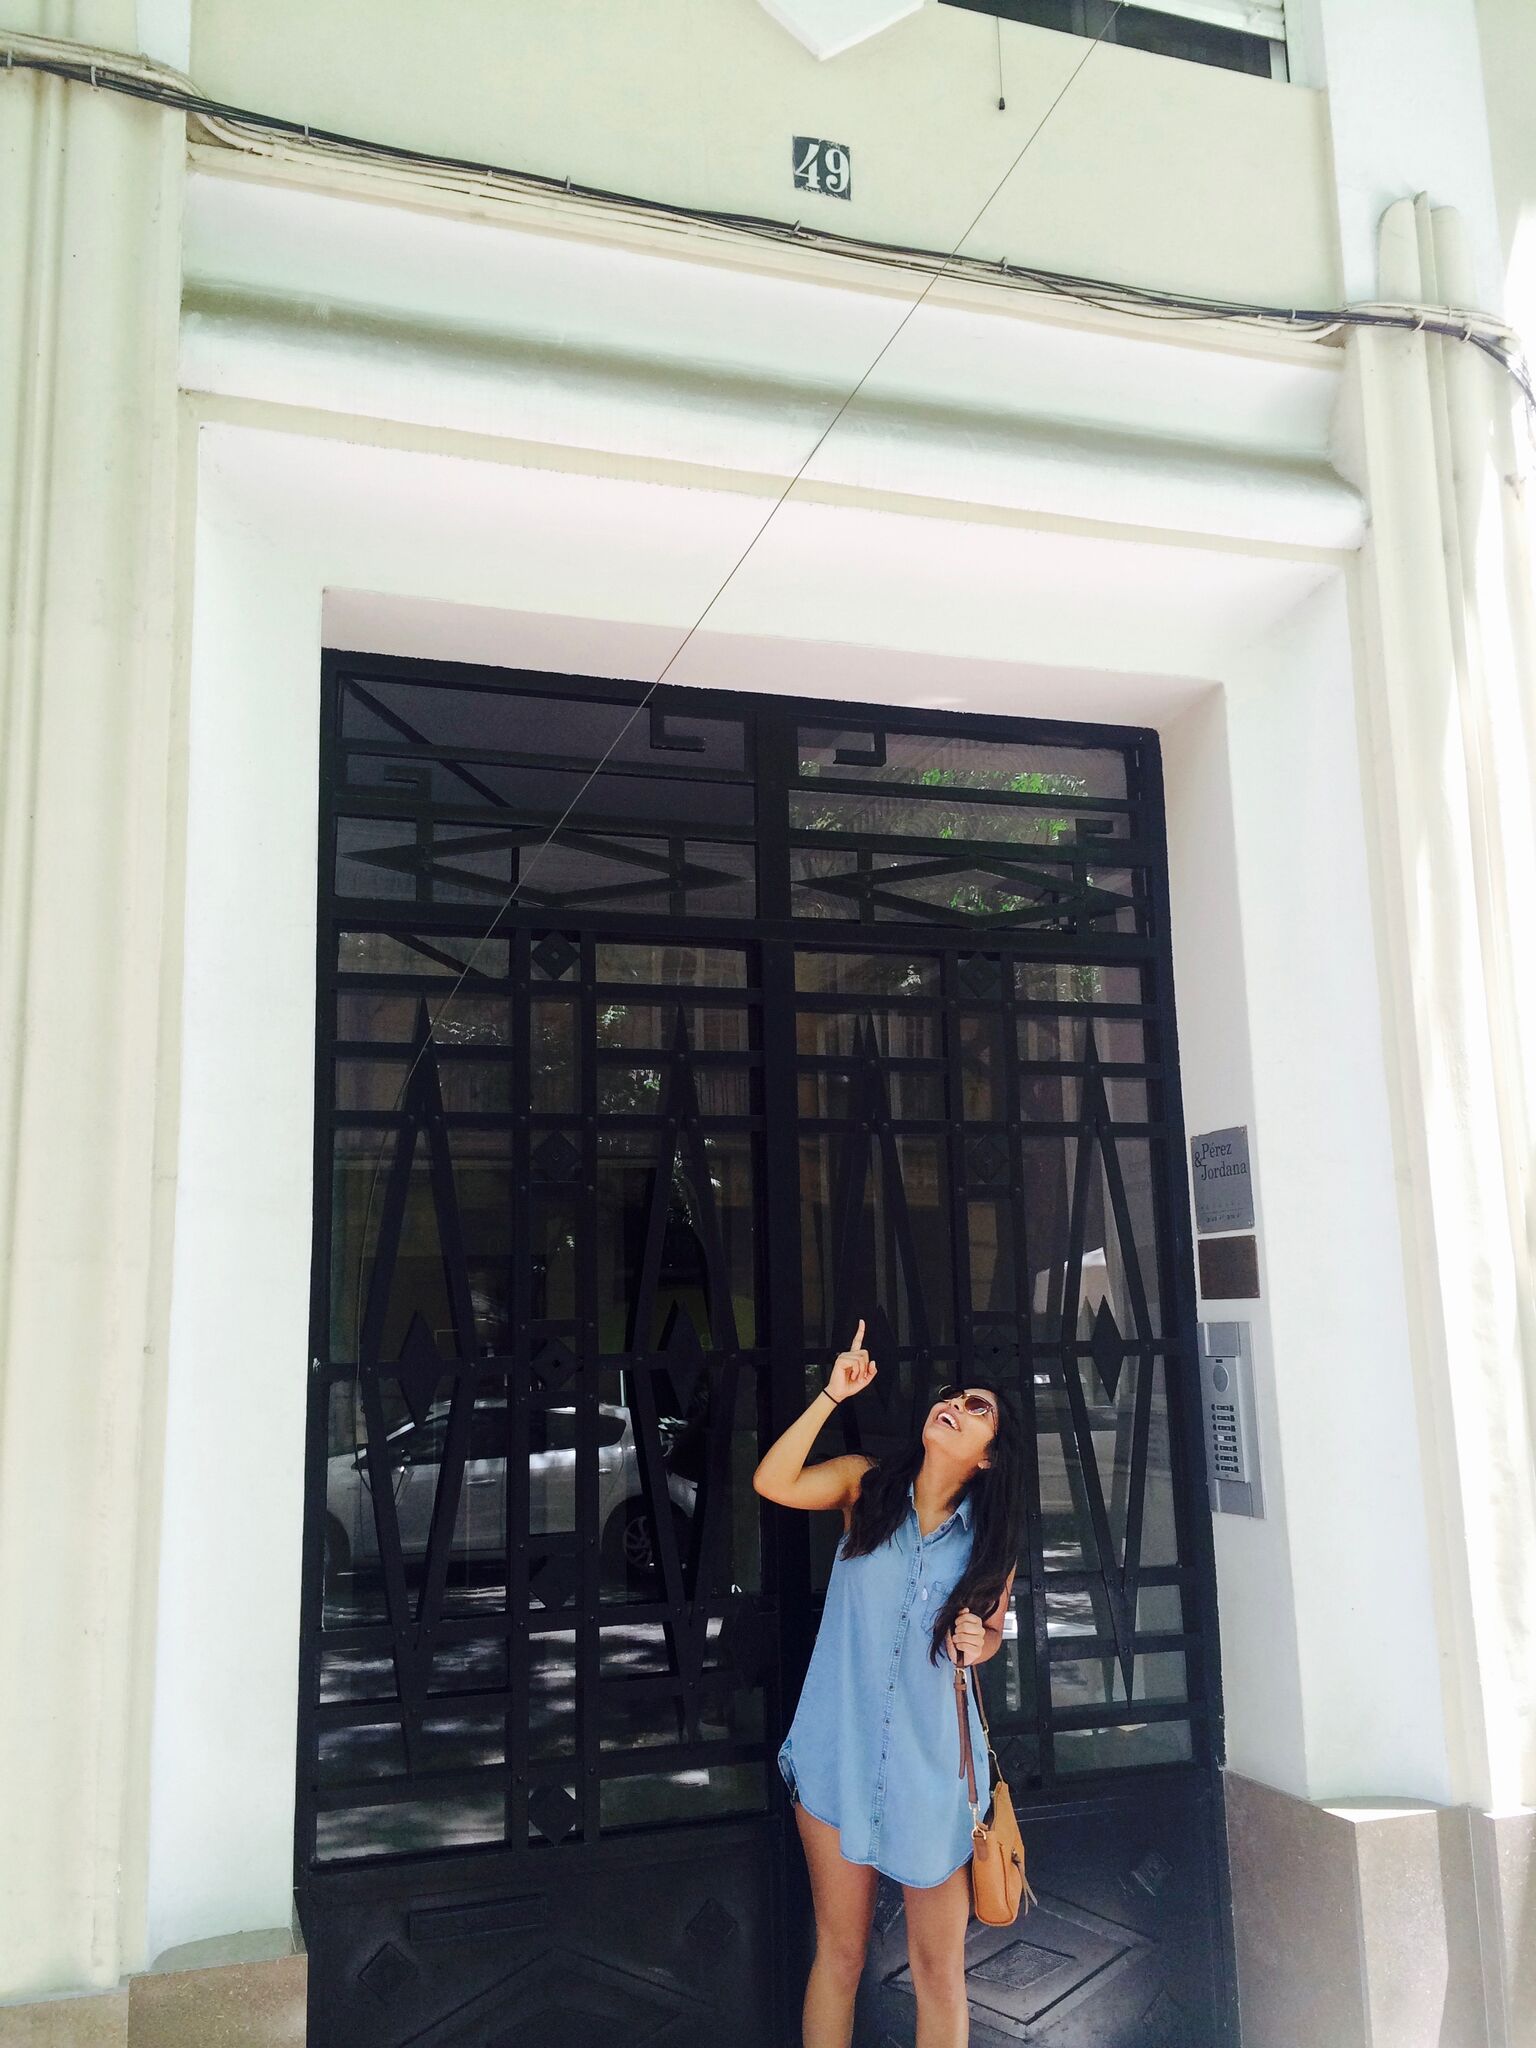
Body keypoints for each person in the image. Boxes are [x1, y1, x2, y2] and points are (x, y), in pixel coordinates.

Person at [753, 1321, 1023, 2048]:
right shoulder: (863, 1487)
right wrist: (829, 1396)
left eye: (979, 1410)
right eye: (957, 1398)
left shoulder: (991, 1546)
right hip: (838, 1758)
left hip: (931, 1775)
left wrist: (982, 1641)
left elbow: (992, 1633)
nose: (958, 1407)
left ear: (990, 1456)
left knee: (939, 1972)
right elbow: (771, 1482)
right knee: (838, 1955)